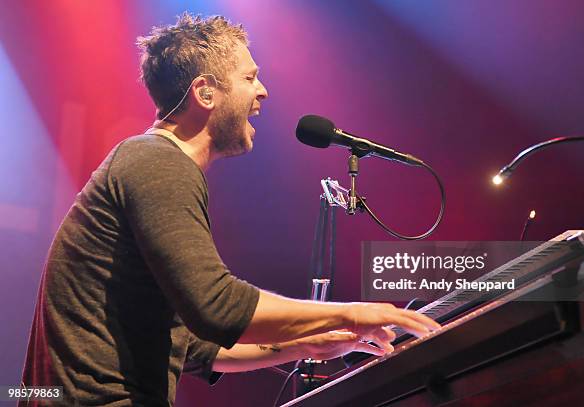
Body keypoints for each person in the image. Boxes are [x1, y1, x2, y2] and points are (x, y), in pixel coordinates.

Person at [21, 13, 440, 406]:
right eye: (249, 77)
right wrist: (352, 311)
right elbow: (217, 306)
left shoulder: (149, 161)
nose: (263, 91)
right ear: (205, 92)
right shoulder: (157, 162)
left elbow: (197, 348)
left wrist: (310, 342)